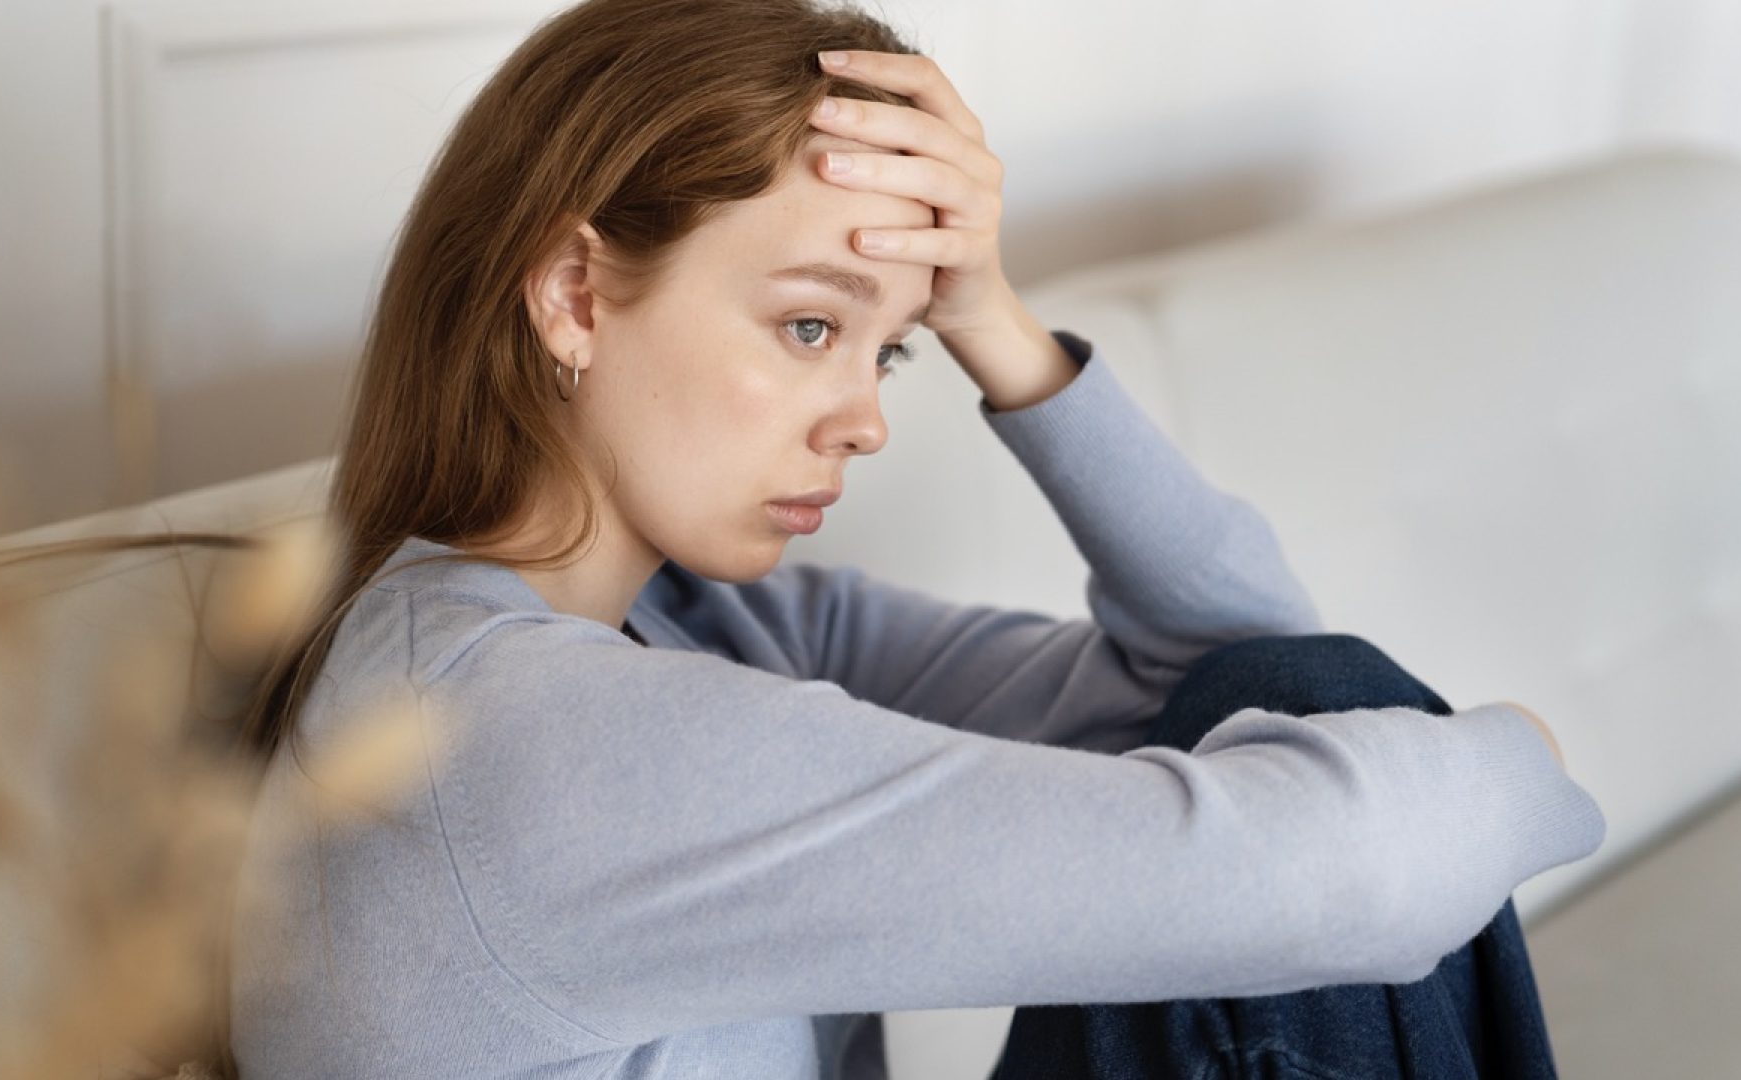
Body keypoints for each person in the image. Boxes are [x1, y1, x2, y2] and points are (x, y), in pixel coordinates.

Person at [224, 1, 1606, 1077]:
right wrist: (1527, 760)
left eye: (889, 355)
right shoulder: (507, 737)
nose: (865, 422)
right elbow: (1339, 875)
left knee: (1313, 704)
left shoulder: (711, 624)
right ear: (577, 294)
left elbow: (1253, 660)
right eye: (811, 325)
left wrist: (991, 321)